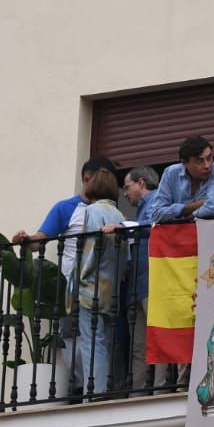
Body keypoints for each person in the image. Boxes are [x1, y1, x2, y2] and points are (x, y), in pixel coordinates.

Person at [73, 167, 126, 398]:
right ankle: (99, 392)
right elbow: (127, 257)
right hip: (112, 286)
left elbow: (90, 250)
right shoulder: (120, 215)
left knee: (91, 342)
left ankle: (92, 394)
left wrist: (80, 277)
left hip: (92, 286)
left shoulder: (93, 210)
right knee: (102, 341)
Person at [105, 165, 158, 391]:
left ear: (140, 183)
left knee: (156, 340)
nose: (125, 194)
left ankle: (159, 390)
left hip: (152, 283)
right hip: (138, 285)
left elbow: (157, 227)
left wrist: (123, 226)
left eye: (127, 187)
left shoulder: (157, 201)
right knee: (139, 346)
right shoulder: (142, 210)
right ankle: (138, 393)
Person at [150, 136, 214, 222]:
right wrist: (193, 206)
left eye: (209, 158)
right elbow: (156, 214)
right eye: (199, 161)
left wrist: (186, 217)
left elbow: (213, 208)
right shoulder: (171, 173)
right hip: (179, 234)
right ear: (184, 163)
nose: (207, 166)